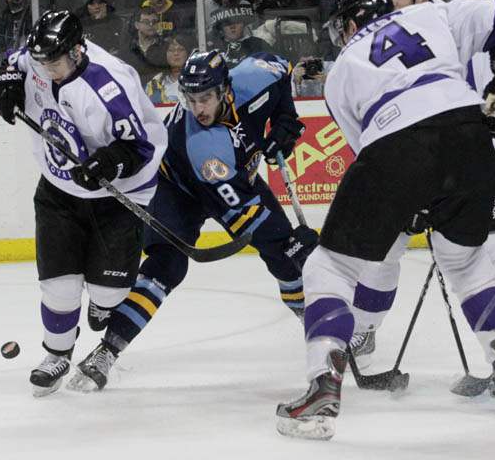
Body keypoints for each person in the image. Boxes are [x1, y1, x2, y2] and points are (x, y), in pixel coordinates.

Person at [276, 0, 495, 440]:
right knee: (468, 263)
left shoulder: (341, 69)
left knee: (329, 265)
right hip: (471, 136)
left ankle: (322, 385)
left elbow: (368, 153)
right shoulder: (430, 13)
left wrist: (409, 200)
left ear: (350, 24)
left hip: (397, 140)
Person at [67, 49, 316, 392]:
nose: (198, 108)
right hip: (177, 185)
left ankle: (317, 327)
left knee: (285, 258)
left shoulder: (257, 76)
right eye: (191, 99)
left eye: (206, 98)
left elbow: (282, 68)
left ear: (226, 89)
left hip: (235, 174)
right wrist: (287, 241)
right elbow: (241, 207)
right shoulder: (203, 145)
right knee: (168, 266)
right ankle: (106, 352)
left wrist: (286, 118)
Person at [343, 0, 495, 366]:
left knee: (493, 247)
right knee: (385, 247)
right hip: (427, 154)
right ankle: (362, 333)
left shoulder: (448, 16)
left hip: (459, 151)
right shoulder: (395, 30)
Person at [0, 10, 168, 396]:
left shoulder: (109, 85)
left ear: (77, 51)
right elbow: (12, 63)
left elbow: (139, 147)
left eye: (55, 63)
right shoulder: (38, 58)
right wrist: (2, 81)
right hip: (59, 190)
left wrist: (109, 162)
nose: (47, 70)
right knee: (59, 288)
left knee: (109, 294)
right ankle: (56, 355)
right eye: (43, 62)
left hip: (119, 196)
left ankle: (103, 301)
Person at [145, 33, 192, 104]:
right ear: (165, 54)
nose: (176, 53)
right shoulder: (154, 84)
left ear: (188, 53)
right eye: (171, 50)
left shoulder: (196, 78)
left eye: (181, 49)